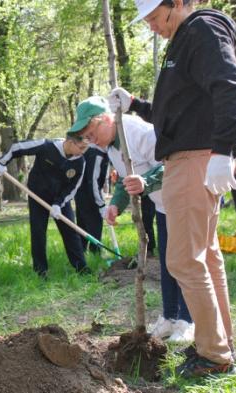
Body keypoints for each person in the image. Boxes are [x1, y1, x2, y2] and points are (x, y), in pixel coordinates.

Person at [109, 0, 236, 377]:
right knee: (205, 258)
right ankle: (219, 344)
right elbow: (180, 113)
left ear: (181, 3)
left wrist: (223, 149)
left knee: (184, 260)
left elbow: (232, 88)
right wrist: (136, 104)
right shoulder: (185, 39)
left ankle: (214, 357)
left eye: (156, 17)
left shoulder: (202, 30)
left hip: (193, 161)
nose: (152, 26)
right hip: (190, 156)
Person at [75, 96, 194, 343]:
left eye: (91, 131)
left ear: (106, 119)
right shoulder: (109, 145)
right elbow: (127, 176)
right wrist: (116, 204)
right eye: (86, 136)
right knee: (168, 261)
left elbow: (173, 162)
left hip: (184, 199)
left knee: (183, 261)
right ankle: (170, 316)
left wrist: (146, 182)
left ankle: (187, 320)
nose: (91, 139)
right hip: (163, 205)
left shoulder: (138, 132)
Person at [0, 134, 90, 277]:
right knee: (38, 232)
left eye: (85, 149)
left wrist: (59, 204)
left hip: (60, 199)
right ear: (70, 142)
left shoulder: (80, 161)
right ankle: (40, 271)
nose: (83, 152)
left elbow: (73, 187)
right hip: (37, 196)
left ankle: (82, 269)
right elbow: (18, 147)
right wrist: (2, 162)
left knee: (70, 231)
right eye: (81, 147)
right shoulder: (47, 146)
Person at [73, 143, 108, 253]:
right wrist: (101, 204)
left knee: (82, 226)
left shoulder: (92, 151)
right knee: (94, 227)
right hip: (89, 197)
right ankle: (95, 254)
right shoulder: (97, 154)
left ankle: (81, 253)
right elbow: (92, 181)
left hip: (81, 194)